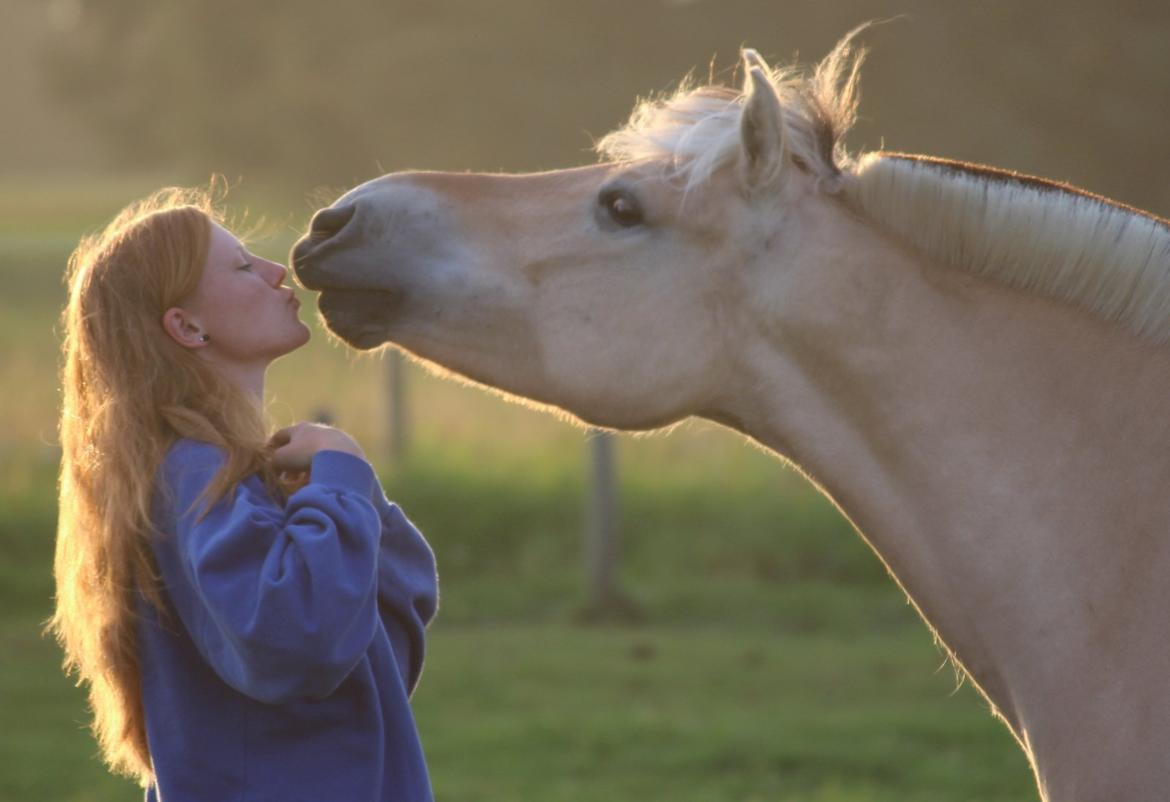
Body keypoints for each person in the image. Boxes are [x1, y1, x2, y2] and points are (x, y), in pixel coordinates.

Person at [48, 186, 438, 801]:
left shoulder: (232, 477)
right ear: (187, 326)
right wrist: (341, 482)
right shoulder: (193, 474)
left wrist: (346, 493)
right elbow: (299, 639)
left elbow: (379, 658)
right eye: (240, 265)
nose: (276, 270)